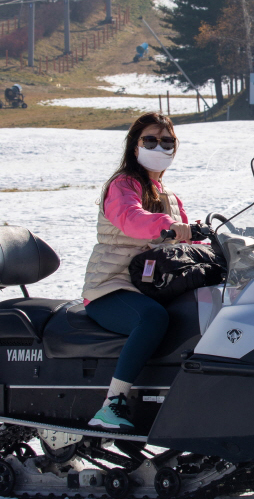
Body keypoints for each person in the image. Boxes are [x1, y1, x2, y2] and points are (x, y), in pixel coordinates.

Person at [82, 112, 190, 432]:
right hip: (110, 287)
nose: (160, 146)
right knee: (152, 318)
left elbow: (189, 240)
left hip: (150, 285)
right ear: (135, 146)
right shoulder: (123, 185)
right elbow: (132, 219)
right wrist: (168, 227)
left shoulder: (168, 194)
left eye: (167, 140)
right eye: (151, 140)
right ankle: (113, 403)